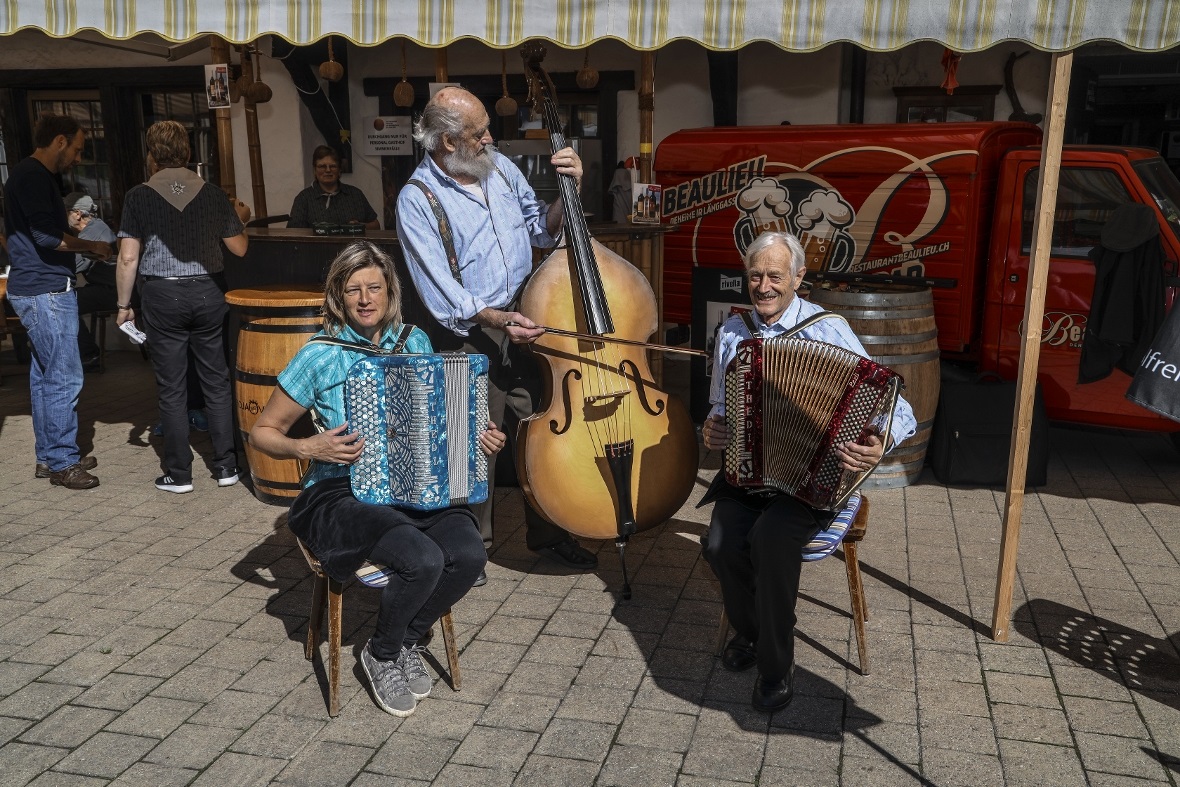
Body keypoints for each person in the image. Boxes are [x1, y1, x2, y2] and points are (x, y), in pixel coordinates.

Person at [250, 240, 498, 717]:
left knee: (468, 556)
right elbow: (263, 432)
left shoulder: (414, 341)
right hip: (339, 490)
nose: (365, 299)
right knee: (422, 560)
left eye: (374, 288)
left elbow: (443, 421)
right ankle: (381, 653)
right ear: (338, 298)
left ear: (390, 291)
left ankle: (403, 639)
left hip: (416, 482)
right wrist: (308, 447)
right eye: (353, 290)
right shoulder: (319, 355)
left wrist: (478, 437)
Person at [699, 231, 917, 713]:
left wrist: (878, 442)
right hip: (749, 473)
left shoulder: (828, 330)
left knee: (771, 541)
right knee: (718, 545)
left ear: (798, 277)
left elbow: (898, 409)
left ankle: (776, 666)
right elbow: (719, 405)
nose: (764, 286)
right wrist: (712, 430)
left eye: (776, 275)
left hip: (812, 483)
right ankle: (757, 632)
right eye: (755, 275)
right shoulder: (733, 334)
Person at [396, 85, 598, 574]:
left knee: (538, 429)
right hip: (468, 331)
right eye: (479, 132)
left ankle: (548, 533)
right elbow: (440, 291)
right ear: (447, 142)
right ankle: (473, 550)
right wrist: (495, 318)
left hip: (523, 317)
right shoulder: (416, 199)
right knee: (475, 440)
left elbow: (538, 227)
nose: (490, 138)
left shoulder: (500, 168)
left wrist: (567, 191)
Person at [115, 120, 251, 494]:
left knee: (172, 387)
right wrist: (242, 218)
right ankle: (226, 467)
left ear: (151, 154)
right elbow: (239, 247)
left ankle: (179, 474)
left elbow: (128, 258)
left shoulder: (138, 196)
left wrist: (124, 305)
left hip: (162, 295)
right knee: (216, 382)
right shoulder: (211, 194)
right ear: (188, 152)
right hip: (209, 291)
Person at [3, 114, 112, 489]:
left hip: (38, 286)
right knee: (65, 376)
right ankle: (63, 462)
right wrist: (92, 246)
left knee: (45, 376)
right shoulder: (32, 175)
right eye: (78, 148)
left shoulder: (30, 175)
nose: (79, 158)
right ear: (60, 141)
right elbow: (46, 237)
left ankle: (49, 457)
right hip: (45, 289)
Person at [64, 192, 118, 370]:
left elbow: (73, 266)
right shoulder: (97, 227)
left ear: (77, 214)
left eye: (66, 212)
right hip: (110, 288)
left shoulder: (90, 235)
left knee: (64, 303)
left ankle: (89, 355)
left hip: (112, 291)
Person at [287, 146, 380, 230]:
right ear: (314, 170)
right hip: (316, 248)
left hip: (351, 248)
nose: (328, 170)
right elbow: (293, 233)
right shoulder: (303, 198)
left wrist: (359, 226)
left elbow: (376, 225)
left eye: (333, 166)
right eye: (322, 166)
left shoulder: (355, 194)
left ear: (339, 170)